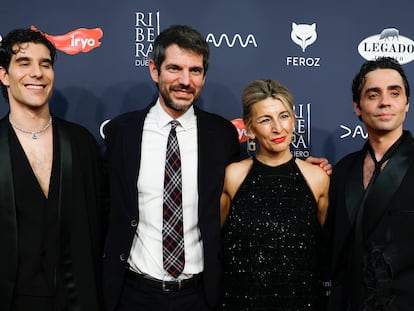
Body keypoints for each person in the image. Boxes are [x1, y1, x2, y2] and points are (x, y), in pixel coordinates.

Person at [102, 25, 331, 311]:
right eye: (174, 68)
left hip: (200, 295)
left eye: (195, 71)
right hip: (134, 292)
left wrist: (303, 169)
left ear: (203, 76)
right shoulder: (122, 132)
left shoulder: (221, 135)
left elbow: (258, 178)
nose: (185, 80)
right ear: (154, 70)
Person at [0, 29, 108, 311]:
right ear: (4, 76)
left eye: (45, 64)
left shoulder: (81, 143)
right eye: (24, 63)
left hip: (76, 300)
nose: (37, 73)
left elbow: (100, 222)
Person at [219, 79, 330, 310]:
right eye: (265, 120)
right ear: (249, 129)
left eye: (284, 116)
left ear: (294, 119)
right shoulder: (233, 176)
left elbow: (335, 249)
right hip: (240, 303)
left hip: (303, 302)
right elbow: (211, 244)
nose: (278, 128)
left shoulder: (318, 178)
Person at [326, 56, 414, 310]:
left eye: (394, 93)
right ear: (358, 106)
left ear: (406, 103)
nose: (385, 101)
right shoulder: (343, 170)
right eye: (373, 94)